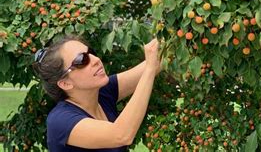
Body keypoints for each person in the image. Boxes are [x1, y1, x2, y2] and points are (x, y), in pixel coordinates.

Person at [32, 35, 163, 151]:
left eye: (91, 52)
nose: (95, 60)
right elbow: (122, 135)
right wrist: (150, 69)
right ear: (65, 83)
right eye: (82, 60)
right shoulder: (60, 121)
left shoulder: (102, 93)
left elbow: (157, 61)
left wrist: (173, 31)